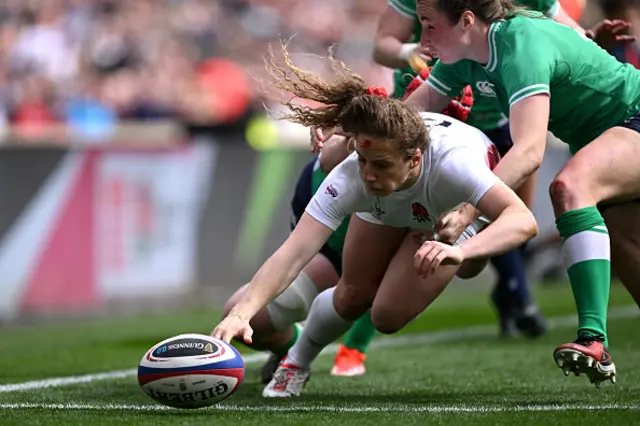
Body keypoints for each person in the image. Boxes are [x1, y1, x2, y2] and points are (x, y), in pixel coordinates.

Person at [211, 42, 539, 397]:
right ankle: (297, 361)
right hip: (398, 206)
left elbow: (524, 221)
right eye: (363, 161)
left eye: (381, 164)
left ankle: (468, 250)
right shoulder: (354, 173)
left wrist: (466, 250)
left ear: (414, 159)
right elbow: (293, 252)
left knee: (388, 316)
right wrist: (241, 313)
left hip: (453, 211)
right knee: (352, 296)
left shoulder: (454, 166)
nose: (367, 175)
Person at [400, 0, 640, 387]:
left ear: (466, 21)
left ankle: (594, 341)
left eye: (429, 27)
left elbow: (529, 151)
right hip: (609, 138)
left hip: (634, 116)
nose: (422, 42)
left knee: (571, 187)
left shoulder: (519, 44)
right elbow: (403, 120)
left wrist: (467, 210)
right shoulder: (464, 55)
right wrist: (344, 130)